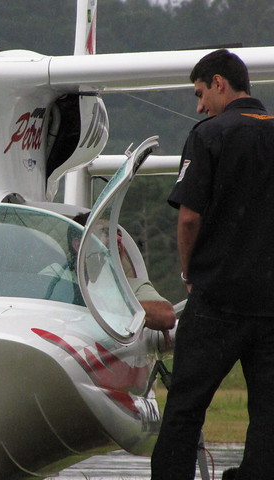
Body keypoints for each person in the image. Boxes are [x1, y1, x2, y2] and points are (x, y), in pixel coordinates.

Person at [151, 49, 274, 480]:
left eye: (200, 93)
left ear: (219, 83)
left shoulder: (210, 135)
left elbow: (189, 217)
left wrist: (188, 274)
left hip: (218, 299)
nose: (200, 106)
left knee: (185, 407)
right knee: (268, 413)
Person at [42, 212, 176, 332]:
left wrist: (111, 304)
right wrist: (130, 310)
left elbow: (166, 316)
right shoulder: (54, 275)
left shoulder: (133, 287)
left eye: (118, 234)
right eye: (106, 233)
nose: (117, 239)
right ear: (79, 245)